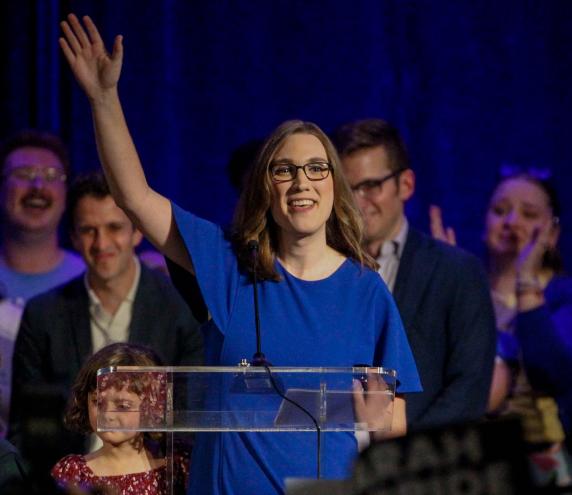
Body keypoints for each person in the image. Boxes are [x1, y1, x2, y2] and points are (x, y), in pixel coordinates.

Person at [59, 14, 421, 495]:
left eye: (316, 168)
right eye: (284, 170)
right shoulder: (227, 265)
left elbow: (390, 420)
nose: (301, 182)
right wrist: (104, 99)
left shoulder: (365, 290)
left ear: (335, 185)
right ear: (265, 190)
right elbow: (134, 197)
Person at [9, 171, 203, 460]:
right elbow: (26, 428)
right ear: (74, 236)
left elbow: (191, 423)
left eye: (114, 227)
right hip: (65, 484)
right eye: (89, 230)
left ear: (138, 231)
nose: (101, 244)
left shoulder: (180, 309)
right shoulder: (42, 315)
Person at [332, 118, 497, 431]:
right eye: (346, 189)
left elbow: (469, 389)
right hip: (330, 462)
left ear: (405, 184)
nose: (356, 202)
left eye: (370, 187)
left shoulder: (456, 272)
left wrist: (401, 455)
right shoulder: (319, 271)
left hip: (415, 467)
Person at [431, 166, 572, 486]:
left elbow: (551, 373)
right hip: (468, 462)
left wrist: (526, 280)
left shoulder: (562, 297)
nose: (511, 222)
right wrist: (445, 293)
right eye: (500, 211)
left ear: (551, 234)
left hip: (546, 464)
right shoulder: (468, 292)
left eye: (528, 214)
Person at [52, 342, 189, 494]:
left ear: (151, 406)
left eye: (123, 406)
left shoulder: (177, 462)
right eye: (98, 402)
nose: (108, 415)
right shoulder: (74, 472)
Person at [0, 130, 85, 302]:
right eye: (23, 174)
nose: (38, 186)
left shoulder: (90, 278)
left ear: (66, 195)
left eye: (51, 176)